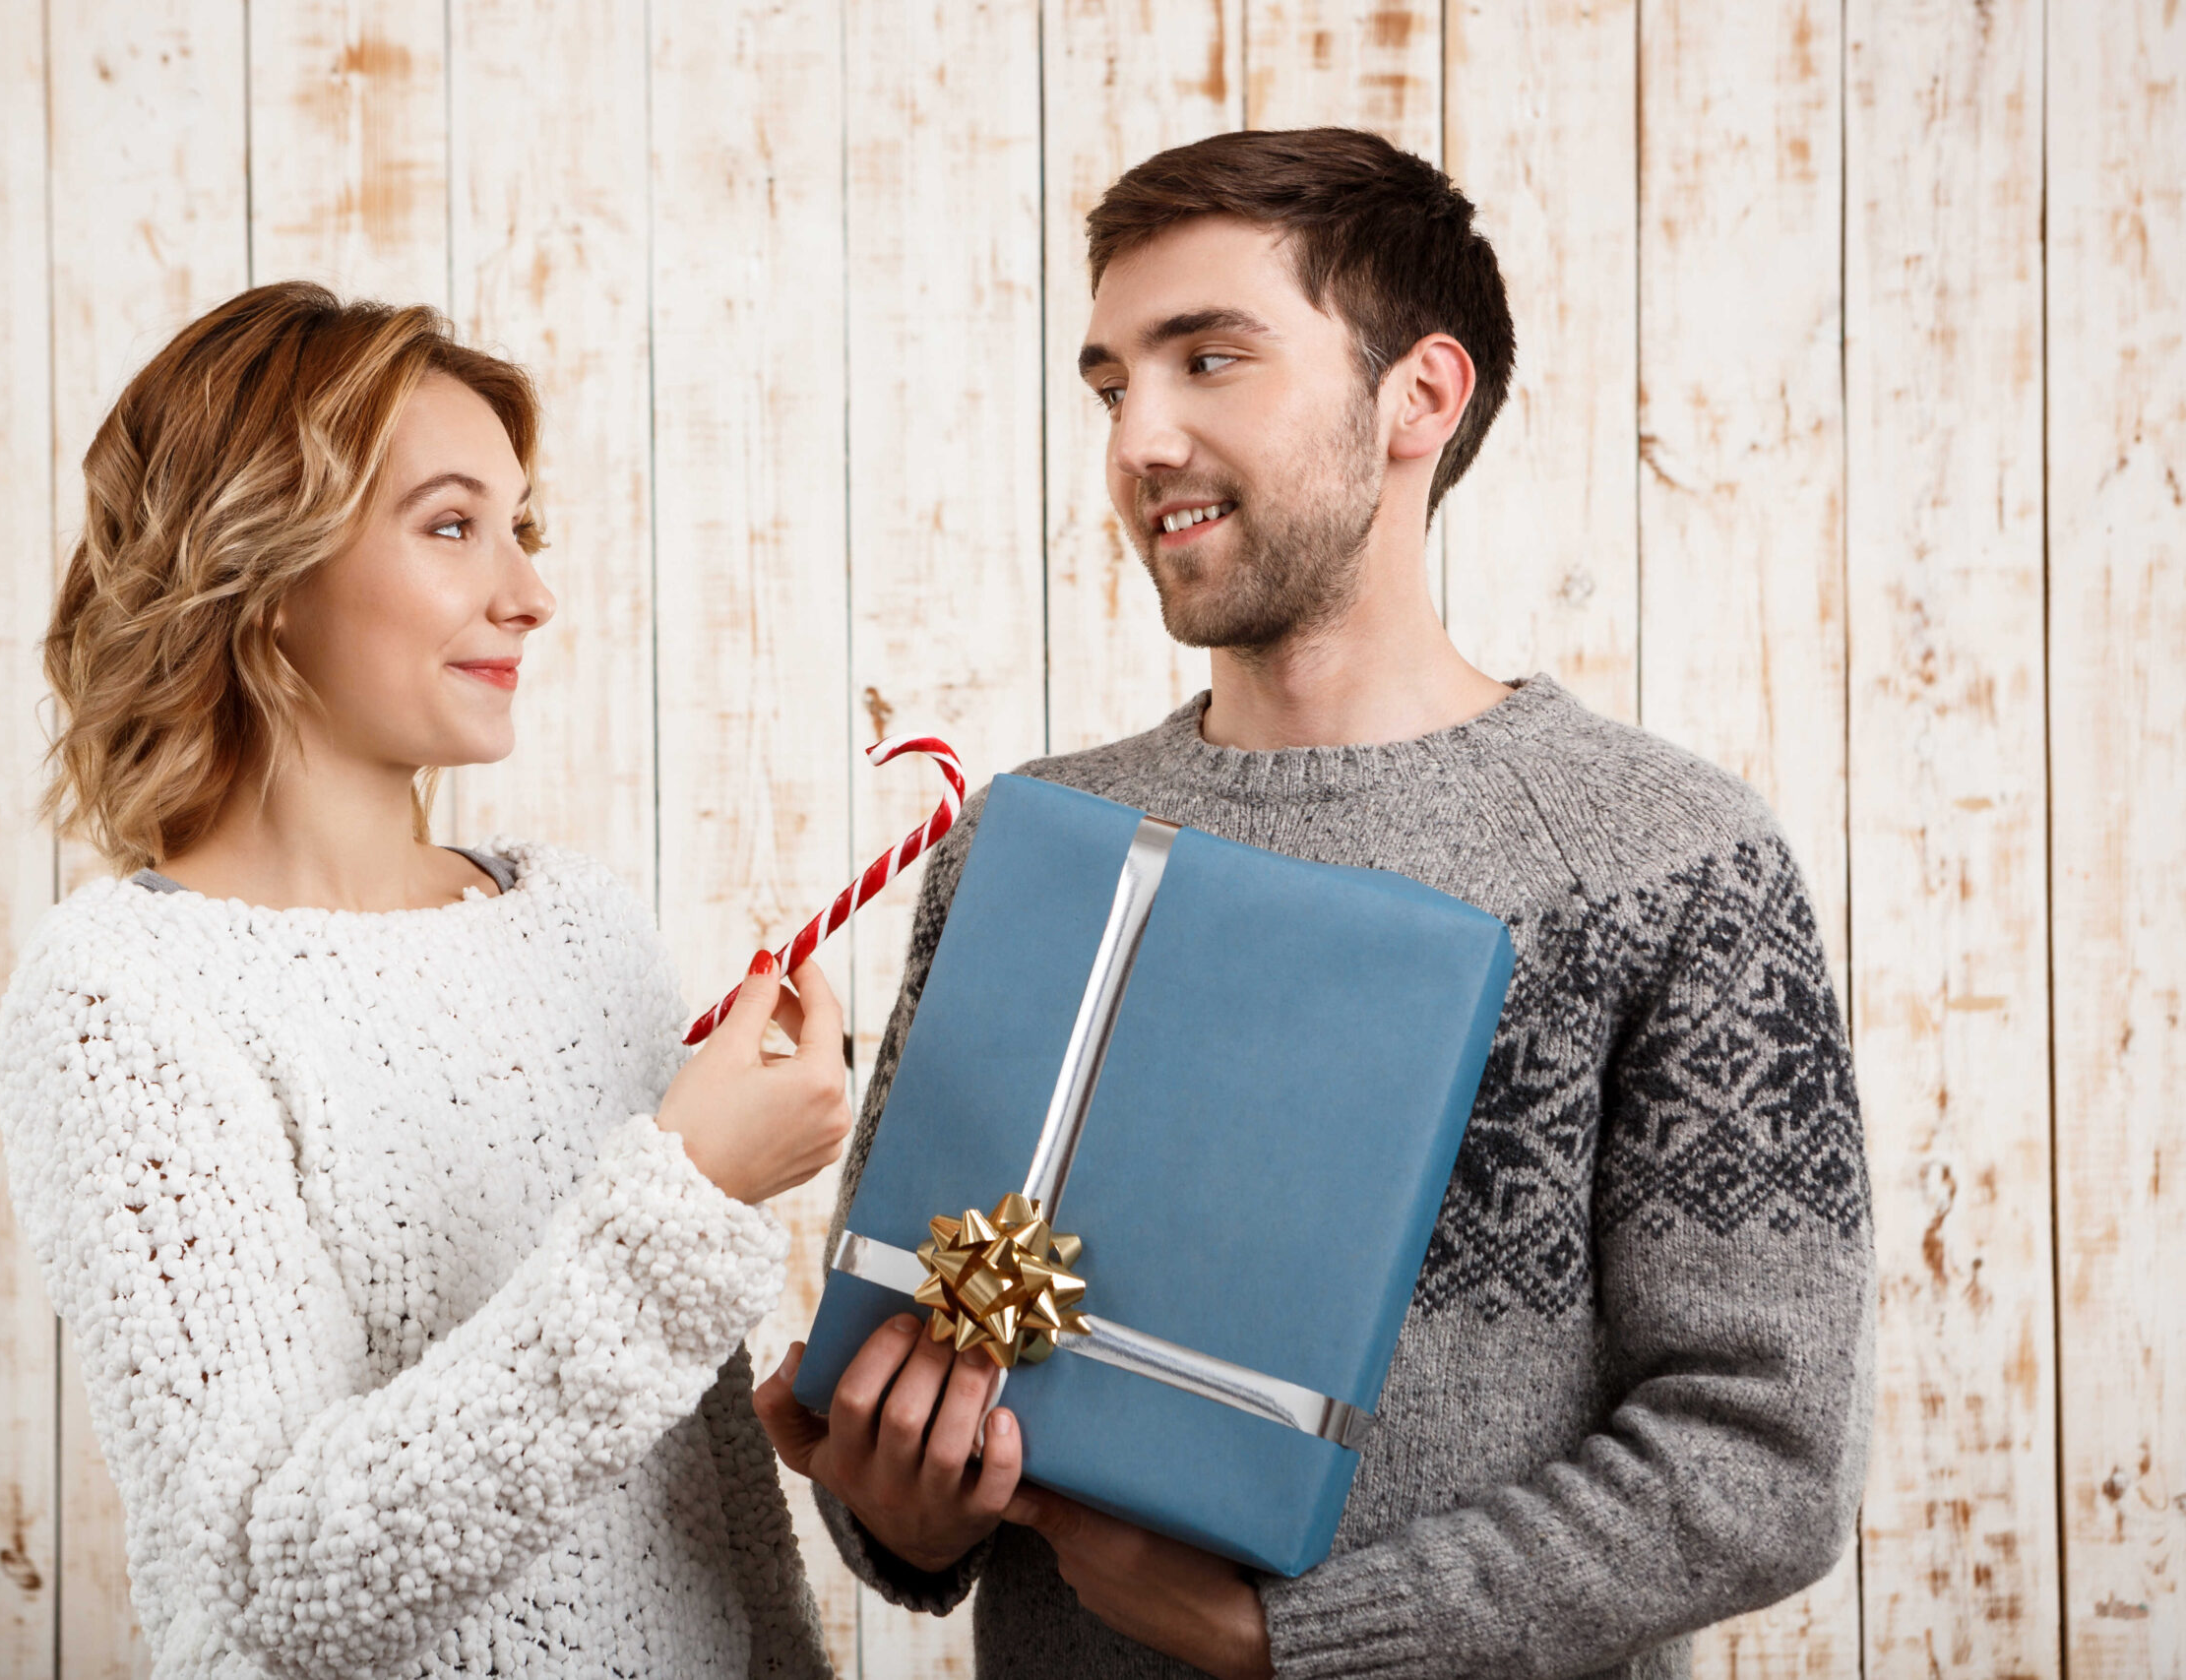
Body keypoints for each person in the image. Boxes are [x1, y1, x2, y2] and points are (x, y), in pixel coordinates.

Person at [754, 127, 1874, 1680]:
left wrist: (1287, 1637)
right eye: (1110, 384)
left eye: (1209, 359)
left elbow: (1766, 1460)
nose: (1139, 437)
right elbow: (907, 1416)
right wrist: (904, 1506)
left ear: (1420, 395)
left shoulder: (1671, 859)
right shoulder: (1027, 845)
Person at [0, 283, 843, 1680]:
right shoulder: (126, 996)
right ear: (257, 568)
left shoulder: (578, 927)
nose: (528, 591)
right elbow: (278, 1585)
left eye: (522, 527)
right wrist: (688, 1196)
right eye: (453, 526)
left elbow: (687, 1512)